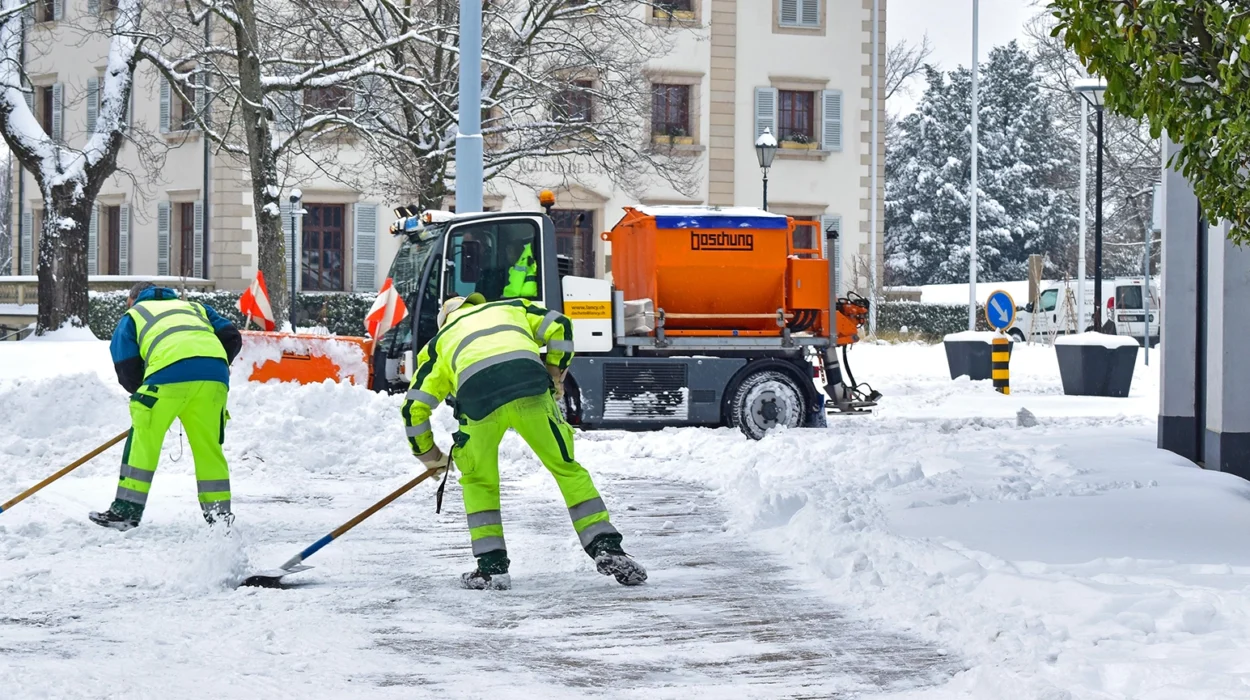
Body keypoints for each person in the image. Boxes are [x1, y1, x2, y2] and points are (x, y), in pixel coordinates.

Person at [401, 293, 645, 590]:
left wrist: (431, 456)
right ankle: (605, 546)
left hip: (478, 400)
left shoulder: (440, 343)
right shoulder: (510, 308)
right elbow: (560, 326)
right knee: (566, 468)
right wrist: (555, 373)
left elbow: (413, 409)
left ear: (445, 320)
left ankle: (491, 568)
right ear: (476, 304)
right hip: (529, 385)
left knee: (479, 482)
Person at [89, 282, 242, 530]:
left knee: (143, 442)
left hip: (165, 377)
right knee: (209, 448)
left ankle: (126, 512)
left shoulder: (134, 315)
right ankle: (219, 517)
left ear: (133, 299)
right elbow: (232, 336)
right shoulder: (195, 307)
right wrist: (210, 366)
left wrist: (146, 395)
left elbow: (126, 366)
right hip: (214, 377)